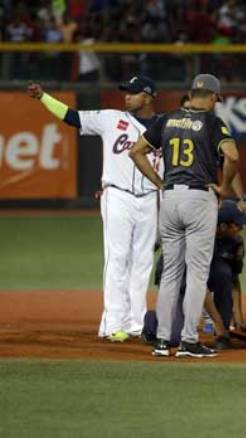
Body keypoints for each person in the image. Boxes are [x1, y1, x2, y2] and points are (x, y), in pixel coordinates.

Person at [27, 76, 162, 343]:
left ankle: (136, 323)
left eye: (133, 93)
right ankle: (113, 324)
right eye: (126, 92)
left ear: (148, 96)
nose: (127, 97)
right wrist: (43, 97)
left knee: (143, 262)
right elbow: (71, 116)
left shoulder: (165, 126)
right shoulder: (111, 118)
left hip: (150, 198)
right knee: (118, 259)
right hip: (117, 196)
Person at [130, 73, 242, 358]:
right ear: (214, 97)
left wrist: (159, 182)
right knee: (196, 274)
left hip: (170, 198)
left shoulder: (166, 118)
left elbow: (136, 151)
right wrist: (225, 187)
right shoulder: (213, 122)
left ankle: (164, 341)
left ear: (191, 93)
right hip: (198, 196)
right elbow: (232, 156)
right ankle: (190, 341)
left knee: (170, 273)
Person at [142, 199, 246, 350]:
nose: (242, 228)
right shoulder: (200, 237)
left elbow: (233, 279)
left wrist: (238, 318)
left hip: (201, 278)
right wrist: (218, 323)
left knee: (223, 273)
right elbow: (201, 286)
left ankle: (222, 336)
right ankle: (153, 320)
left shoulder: (235, 242)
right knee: (174, 338)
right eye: (238, 225)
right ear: (223, 226)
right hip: (178, 281)